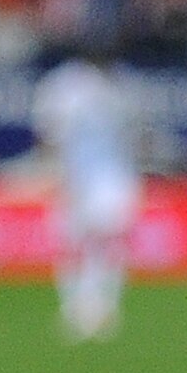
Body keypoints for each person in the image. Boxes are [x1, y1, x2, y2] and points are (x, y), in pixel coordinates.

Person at [31, 57, 139, 342]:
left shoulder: (117, 85)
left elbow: (131, 135)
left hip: (107, 176)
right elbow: (49, 137)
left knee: (102, 240)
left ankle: (99, 306)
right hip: (77, 175)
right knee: (74, 242)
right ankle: (76, 307)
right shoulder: (66, 86)